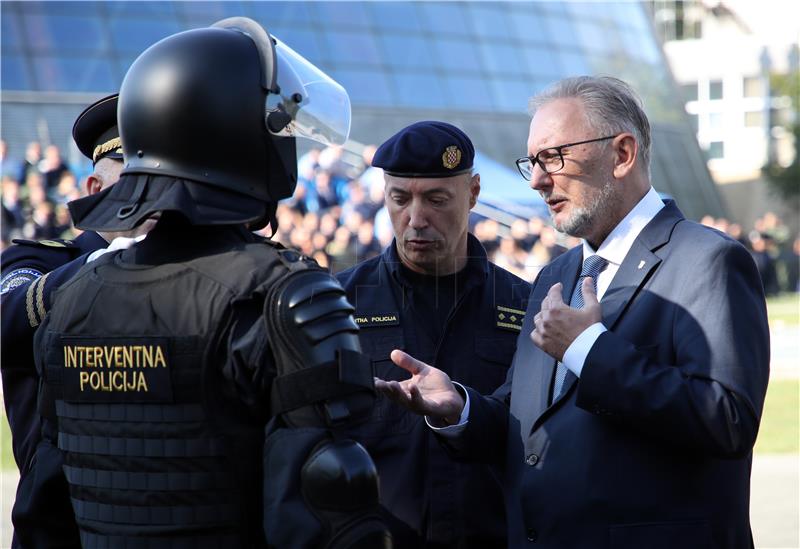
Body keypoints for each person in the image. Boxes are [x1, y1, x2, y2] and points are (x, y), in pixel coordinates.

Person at [33, 17, 389, 548]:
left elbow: (44, 504)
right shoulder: (288, 295)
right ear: (235, 135)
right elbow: (331, 498)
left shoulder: (68, 298)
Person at [375, 76, 770, 548]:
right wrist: (459, 408)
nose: (539, 180)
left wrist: (588, 349)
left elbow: (727, 419)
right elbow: (526, 427)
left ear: (621, 155)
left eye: (553, 157)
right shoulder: (554, 276)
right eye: (533, 163)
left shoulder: (707, 259)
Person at [336, 121, 531, 548]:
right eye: (400, 199)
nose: (416, 218)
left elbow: (539, 442)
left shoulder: (525, 307)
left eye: (436, 199)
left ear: (474, 192)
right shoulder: (339, 305)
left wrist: (465, 410)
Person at [0, 93, 156, 548]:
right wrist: (108, 263)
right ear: (96, 191)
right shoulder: (40, 260)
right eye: (139, 178)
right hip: (63, 520)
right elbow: (7, 319)